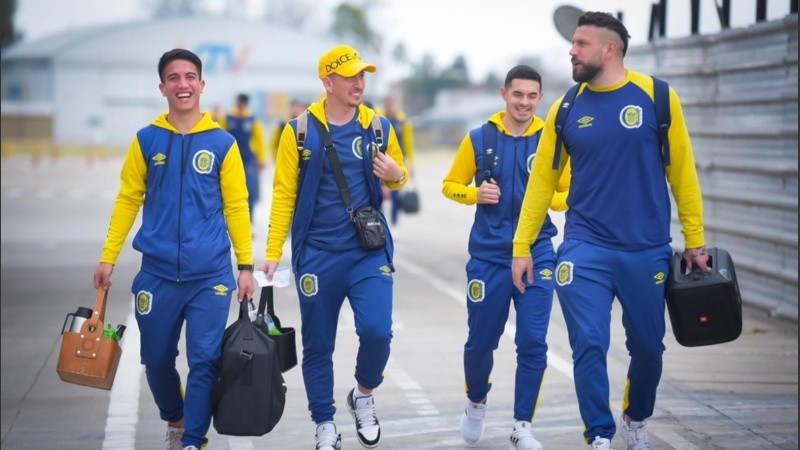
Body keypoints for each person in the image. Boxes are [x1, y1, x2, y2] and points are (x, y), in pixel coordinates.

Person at [510, 12, 709, 450]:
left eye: (581, 43)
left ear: (609, 49)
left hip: (646, 249)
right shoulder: (567, 107)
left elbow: (683, 173)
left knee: (649, 350)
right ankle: (598, 433)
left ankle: (636, 418)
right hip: (585, 247)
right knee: (589, 343)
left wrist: (695, 238)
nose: (571, 50)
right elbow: (542, 181)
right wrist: (522, 245)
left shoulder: (657, 97)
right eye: (573, 43)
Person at [92, 48, 255, 450]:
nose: (183, 84)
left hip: (210, 277)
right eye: (174, 78)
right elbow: (128, 199)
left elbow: (236, 206)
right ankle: (177, 419)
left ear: (201, 85)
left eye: (190, 77)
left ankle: (193, 441)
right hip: (158, 275)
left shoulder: (223, 143)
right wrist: (108, 257)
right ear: (163, 87)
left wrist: (245, 265)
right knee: (157, 361)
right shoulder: (146, 140)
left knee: (204, 362)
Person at [257, 44, 408, 450]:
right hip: (318, 256)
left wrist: (397, 175)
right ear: (328, 82)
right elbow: (284, 194)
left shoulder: (378, 127)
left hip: (367, 252)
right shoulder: (299, 130)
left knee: (378, 331)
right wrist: (272, 253)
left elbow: (397, 175)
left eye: (363, 76)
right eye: (350, 77)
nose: (359, 83)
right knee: (318, 345)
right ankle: (324, 422)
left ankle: (363, 394)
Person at [442, 65, 569, 450]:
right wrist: (474, 194)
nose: (525, 103)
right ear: (504, 94)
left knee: (533, 342)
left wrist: (549, 199)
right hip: (489, 257)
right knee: (481, 342)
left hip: (538, 253)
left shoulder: (553, 139)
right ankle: (476, 400)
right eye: (518, 95)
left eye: (532, 96)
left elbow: (567, 192)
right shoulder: (480, 138)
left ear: (540, 97)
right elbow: (450, 185)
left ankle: (523, 425)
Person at [218, 93, 268, 222]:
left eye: (244, 104)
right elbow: (220, 136)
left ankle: (248, 220)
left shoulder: (252, 120)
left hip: (248, 160)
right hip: (230, 159)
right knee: (229, 189)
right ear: (237, 103)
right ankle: (227, 220)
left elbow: (260, 140)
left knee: (249, 190)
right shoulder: (227, 118)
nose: (242, 106)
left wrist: (262, 160)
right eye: (240, 104)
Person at [380, 96, 417, 225]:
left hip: (397, 161)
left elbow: (408, 143)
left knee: (395, 194)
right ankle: (381, 222)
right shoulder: (378, 119)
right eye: (387, 103)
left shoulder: (403, 121)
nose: (389, 105)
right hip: (380, 161)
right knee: (380, 195)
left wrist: (411, 165)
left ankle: (394, 222)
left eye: (391, 103)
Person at [269, 98, 307, 163]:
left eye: (297, 108)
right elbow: (273, 144)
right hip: (285, 161)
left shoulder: (306, 125)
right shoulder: (282, 125)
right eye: (293, 108)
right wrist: (276, 159)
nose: (295, 110)